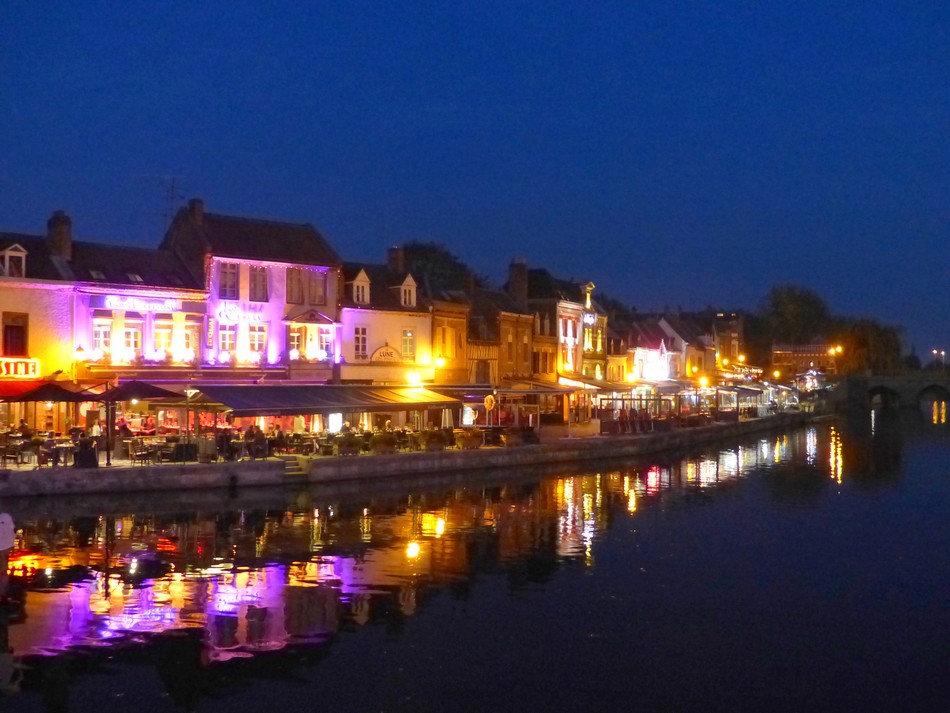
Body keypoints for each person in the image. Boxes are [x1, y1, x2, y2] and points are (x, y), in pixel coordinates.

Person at [0, 509, 14, 602]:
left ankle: (2, 589)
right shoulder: (6, 516)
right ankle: (3, 589)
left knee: (3, 568)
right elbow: (12, 528)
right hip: (7, 544)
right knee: (4, 568)